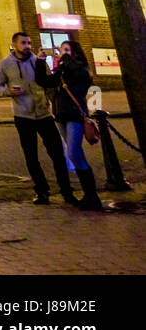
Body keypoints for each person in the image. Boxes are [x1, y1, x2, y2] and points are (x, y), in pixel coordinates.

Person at [0, 32, 77, 205]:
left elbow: (48, 83)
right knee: (31, 156)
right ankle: (42, 191)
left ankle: (67, 191)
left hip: (44, 114)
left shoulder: (38, 61)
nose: (27, 46)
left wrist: (52, 103)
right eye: (23, 43)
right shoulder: (5, 64)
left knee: (57, 154)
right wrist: (8, 92)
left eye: (29, 42)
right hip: (23, 115)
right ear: (14, 44)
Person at [51, 40, 103, 211]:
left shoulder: (81, 69)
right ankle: (89, 195)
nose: (62, 53)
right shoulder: (62, 70)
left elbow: (82, 80)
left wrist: (66, 60)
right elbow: (45, 82)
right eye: (61, 51)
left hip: (75, 114)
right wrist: (38, 62)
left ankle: (92, 195)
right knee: (74, 153)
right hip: (61, 116)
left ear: (75, 53)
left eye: (66, 50)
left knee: (73, 152)